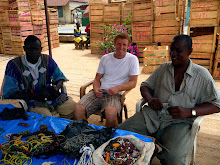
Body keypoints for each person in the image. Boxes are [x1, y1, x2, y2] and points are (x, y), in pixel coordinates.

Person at [118, 34, 220, 164]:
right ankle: (149, 150)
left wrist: (190, 112)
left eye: (178, 50)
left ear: (189, 51)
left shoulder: (202, 75)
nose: (173, 54)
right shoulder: (163, 69)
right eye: (171, 49)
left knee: (174, 160)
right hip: (152, 116)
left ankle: (156, 150)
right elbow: (145, 86)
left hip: (179, 123)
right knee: (119, 134)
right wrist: (150, 99)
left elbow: (217, 104)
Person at [2, 35, 76, 119]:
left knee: (74, 107)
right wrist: (34, 96)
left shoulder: (47, 60)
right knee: (46, 117)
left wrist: (56, 89)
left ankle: (67, 130)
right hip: (29, 101)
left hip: (49, 97)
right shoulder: (14, 65)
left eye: (36, 49)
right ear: (24, 49)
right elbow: (9, 92)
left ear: (40, 49)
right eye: (30, 49)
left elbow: (59, 77)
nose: (33, 52)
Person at [75, 33, 139, 128]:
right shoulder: (106, 58)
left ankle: (107, 138)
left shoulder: (132, 60)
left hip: (115, 95)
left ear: (128, 46)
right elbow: (97, 79)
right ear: (114, 44)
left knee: (111, 114)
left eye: (124, 44)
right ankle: (84, 134)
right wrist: (96, 89)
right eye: (118, 44)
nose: (121, 47)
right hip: (99, 92)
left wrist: (117, 88)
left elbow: (133, 82)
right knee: (78, 108)